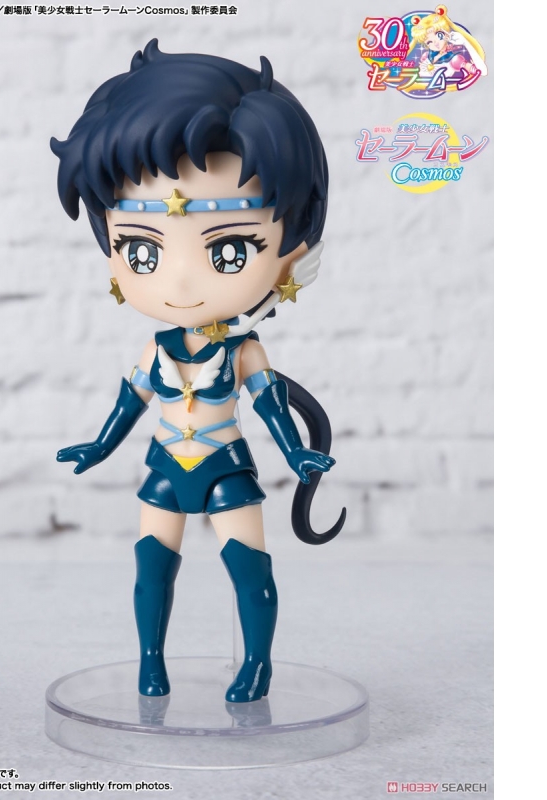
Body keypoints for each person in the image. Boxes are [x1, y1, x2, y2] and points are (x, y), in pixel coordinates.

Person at [51, 39, 344, 704]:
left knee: (249, 570)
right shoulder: (155, 350)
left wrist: (297, 454)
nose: (181, 280)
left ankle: (257, 665)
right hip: (164, 467)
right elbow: (127, 407)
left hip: (225, 468)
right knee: (151, 570)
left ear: (291, 252)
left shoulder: (244, 353)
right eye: (141, 252)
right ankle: (150, 662)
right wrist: (98, 446)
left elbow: (271, 409)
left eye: (231, 251)